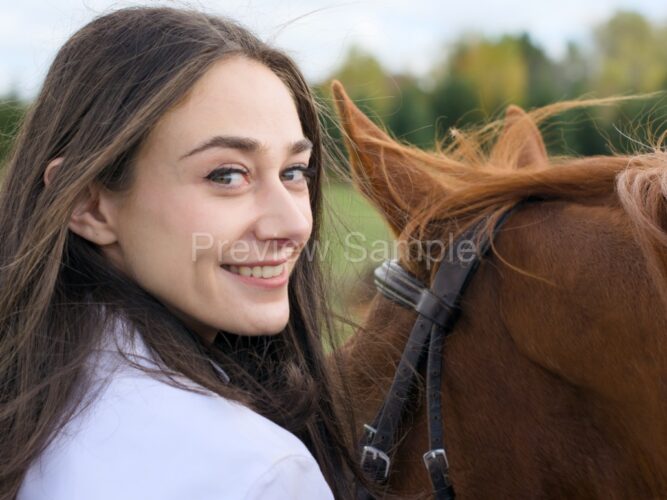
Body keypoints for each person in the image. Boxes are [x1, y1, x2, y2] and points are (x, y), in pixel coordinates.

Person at [0, 6, 361, 499]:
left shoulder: (29, 408)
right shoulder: (258, 474)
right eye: (227, 175)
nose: (294, 224)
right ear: (89, 204)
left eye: (294, 172)